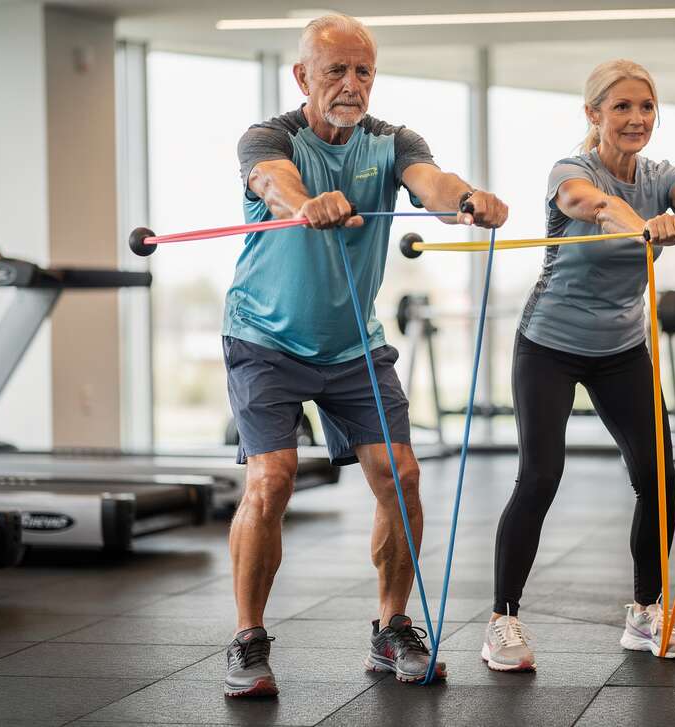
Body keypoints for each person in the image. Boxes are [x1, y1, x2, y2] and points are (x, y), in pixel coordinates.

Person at [222, 14, 508, 696]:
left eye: (363, 72)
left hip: (353, 343)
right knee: (273, 480)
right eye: (335, 72)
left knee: (400, 475)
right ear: (302, 77)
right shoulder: (268, 136)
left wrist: (467, 200)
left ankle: (391, 628)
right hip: (264, 337)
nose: (351, 85)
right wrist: (304, 201)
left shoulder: (392, 141)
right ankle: (247, 638)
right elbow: (271, 180)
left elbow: (431, 183)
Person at [481, 59, 675, 672]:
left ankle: (645, 611)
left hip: (622, 350)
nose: (635, 119)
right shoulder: (571, 171)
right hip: (548, 343)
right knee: (540, 477)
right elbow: (591, 205)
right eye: (621, 107)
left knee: (658, 479)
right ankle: (503, 621)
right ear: (593, 115)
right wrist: (641, 225)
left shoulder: (663, 176)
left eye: (645, 108)